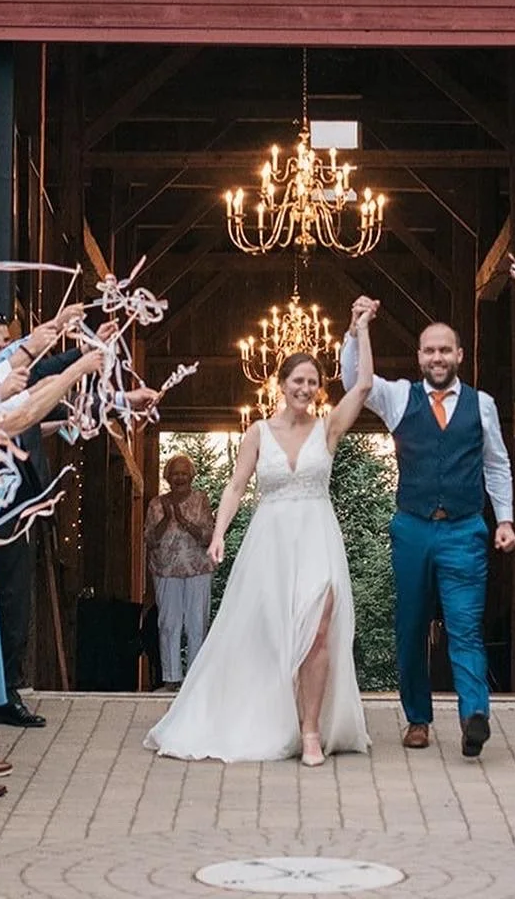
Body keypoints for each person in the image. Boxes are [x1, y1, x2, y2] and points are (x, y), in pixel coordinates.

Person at [145, 312, 377, 764]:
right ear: (281, 383)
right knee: (270, 633)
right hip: (269, 541)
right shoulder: (258, 433)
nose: (305, 389)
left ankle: (311, 731)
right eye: (298, 380)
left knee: (319, 629)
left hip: (316, 536)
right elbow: (235, 486)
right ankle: (272, 717)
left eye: (313, 382)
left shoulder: (327, 430)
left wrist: (359, 329)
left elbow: (364, 385)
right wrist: (218, 535)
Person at [342, 297, 515, 758]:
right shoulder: (400, 396)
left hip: (464, 529)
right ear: (419, 357)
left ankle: (474, 715)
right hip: (413, 527)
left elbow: (497, 466)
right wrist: (357, 327)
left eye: (445, 350)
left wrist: (506, 521)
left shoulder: (483, 404)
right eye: (429, 351)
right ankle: (418, 718)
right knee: (411, 625)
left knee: (465, 626)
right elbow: (351, 381)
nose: (437, 358)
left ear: (459, 355)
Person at [145, 455, 214, 691]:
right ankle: (172, 678)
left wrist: (183, 520)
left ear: (191, 476)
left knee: (197, 624)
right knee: (169, 624)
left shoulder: (200, 500)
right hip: (166, 570)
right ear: (168, 476)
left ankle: (194, 681)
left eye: (184, 473)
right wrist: (166, 517)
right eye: (175, 473)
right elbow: (150, 540)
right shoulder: (156, 504)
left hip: (197, 569)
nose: (180, 478)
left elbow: (207, 536)